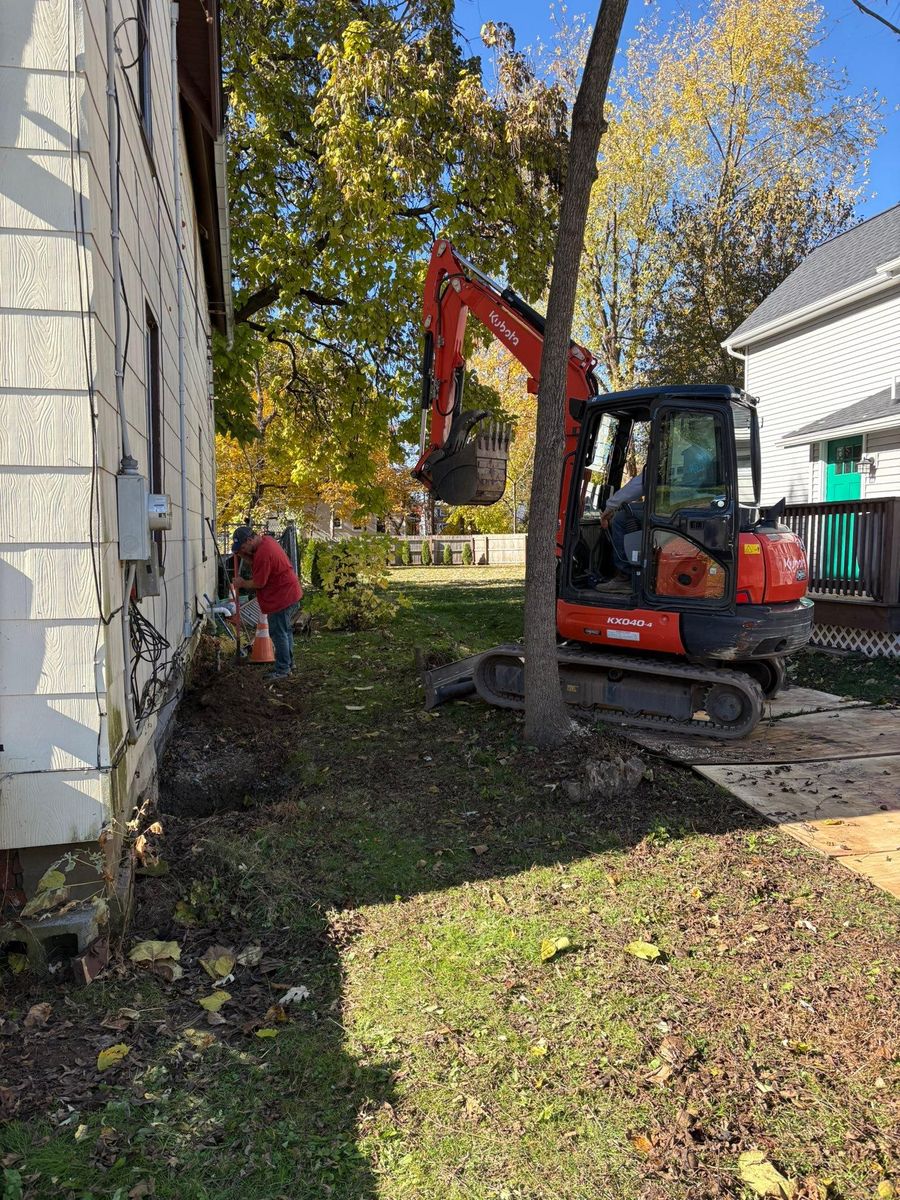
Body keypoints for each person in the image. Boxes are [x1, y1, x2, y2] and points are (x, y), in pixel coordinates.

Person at [231, 526, 303, 680]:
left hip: (281, 597)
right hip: (289, 593)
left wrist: (242, 583)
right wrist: (244, 555)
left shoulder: (264, 553)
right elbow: (255, 561)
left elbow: (259, 582)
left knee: (278, 633)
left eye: (243, 547)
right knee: (285, 631)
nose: (243, 550)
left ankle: (283, 669)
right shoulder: (267, 540)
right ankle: (289, 663)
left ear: (250, 540)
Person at [599, 469, 644, 591]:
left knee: (620, 519)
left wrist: (608, 509)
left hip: (669, 509)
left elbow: (636, 486)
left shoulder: (662, 460)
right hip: (685, 506)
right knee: (630, 510)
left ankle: (625, 575)